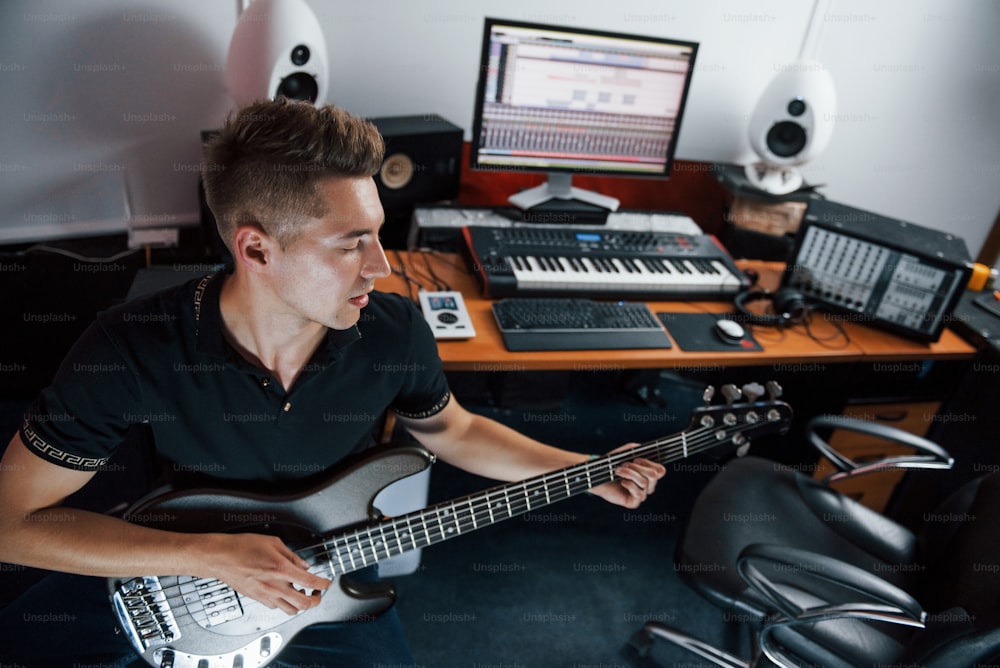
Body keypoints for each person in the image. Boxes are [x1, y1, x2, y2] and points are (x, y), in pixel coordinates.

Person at [0, 98, 665, 667]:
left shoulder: (392, 329)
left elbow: (451, 429)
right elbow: (11, 524)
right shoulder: (131, 346)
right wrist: (208, 556)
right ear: (257, 249)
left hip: (334, 558)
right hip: (179, 568)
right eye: (352, 243)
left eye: (378, 234)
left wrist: (584, 468)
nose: (381, 266)